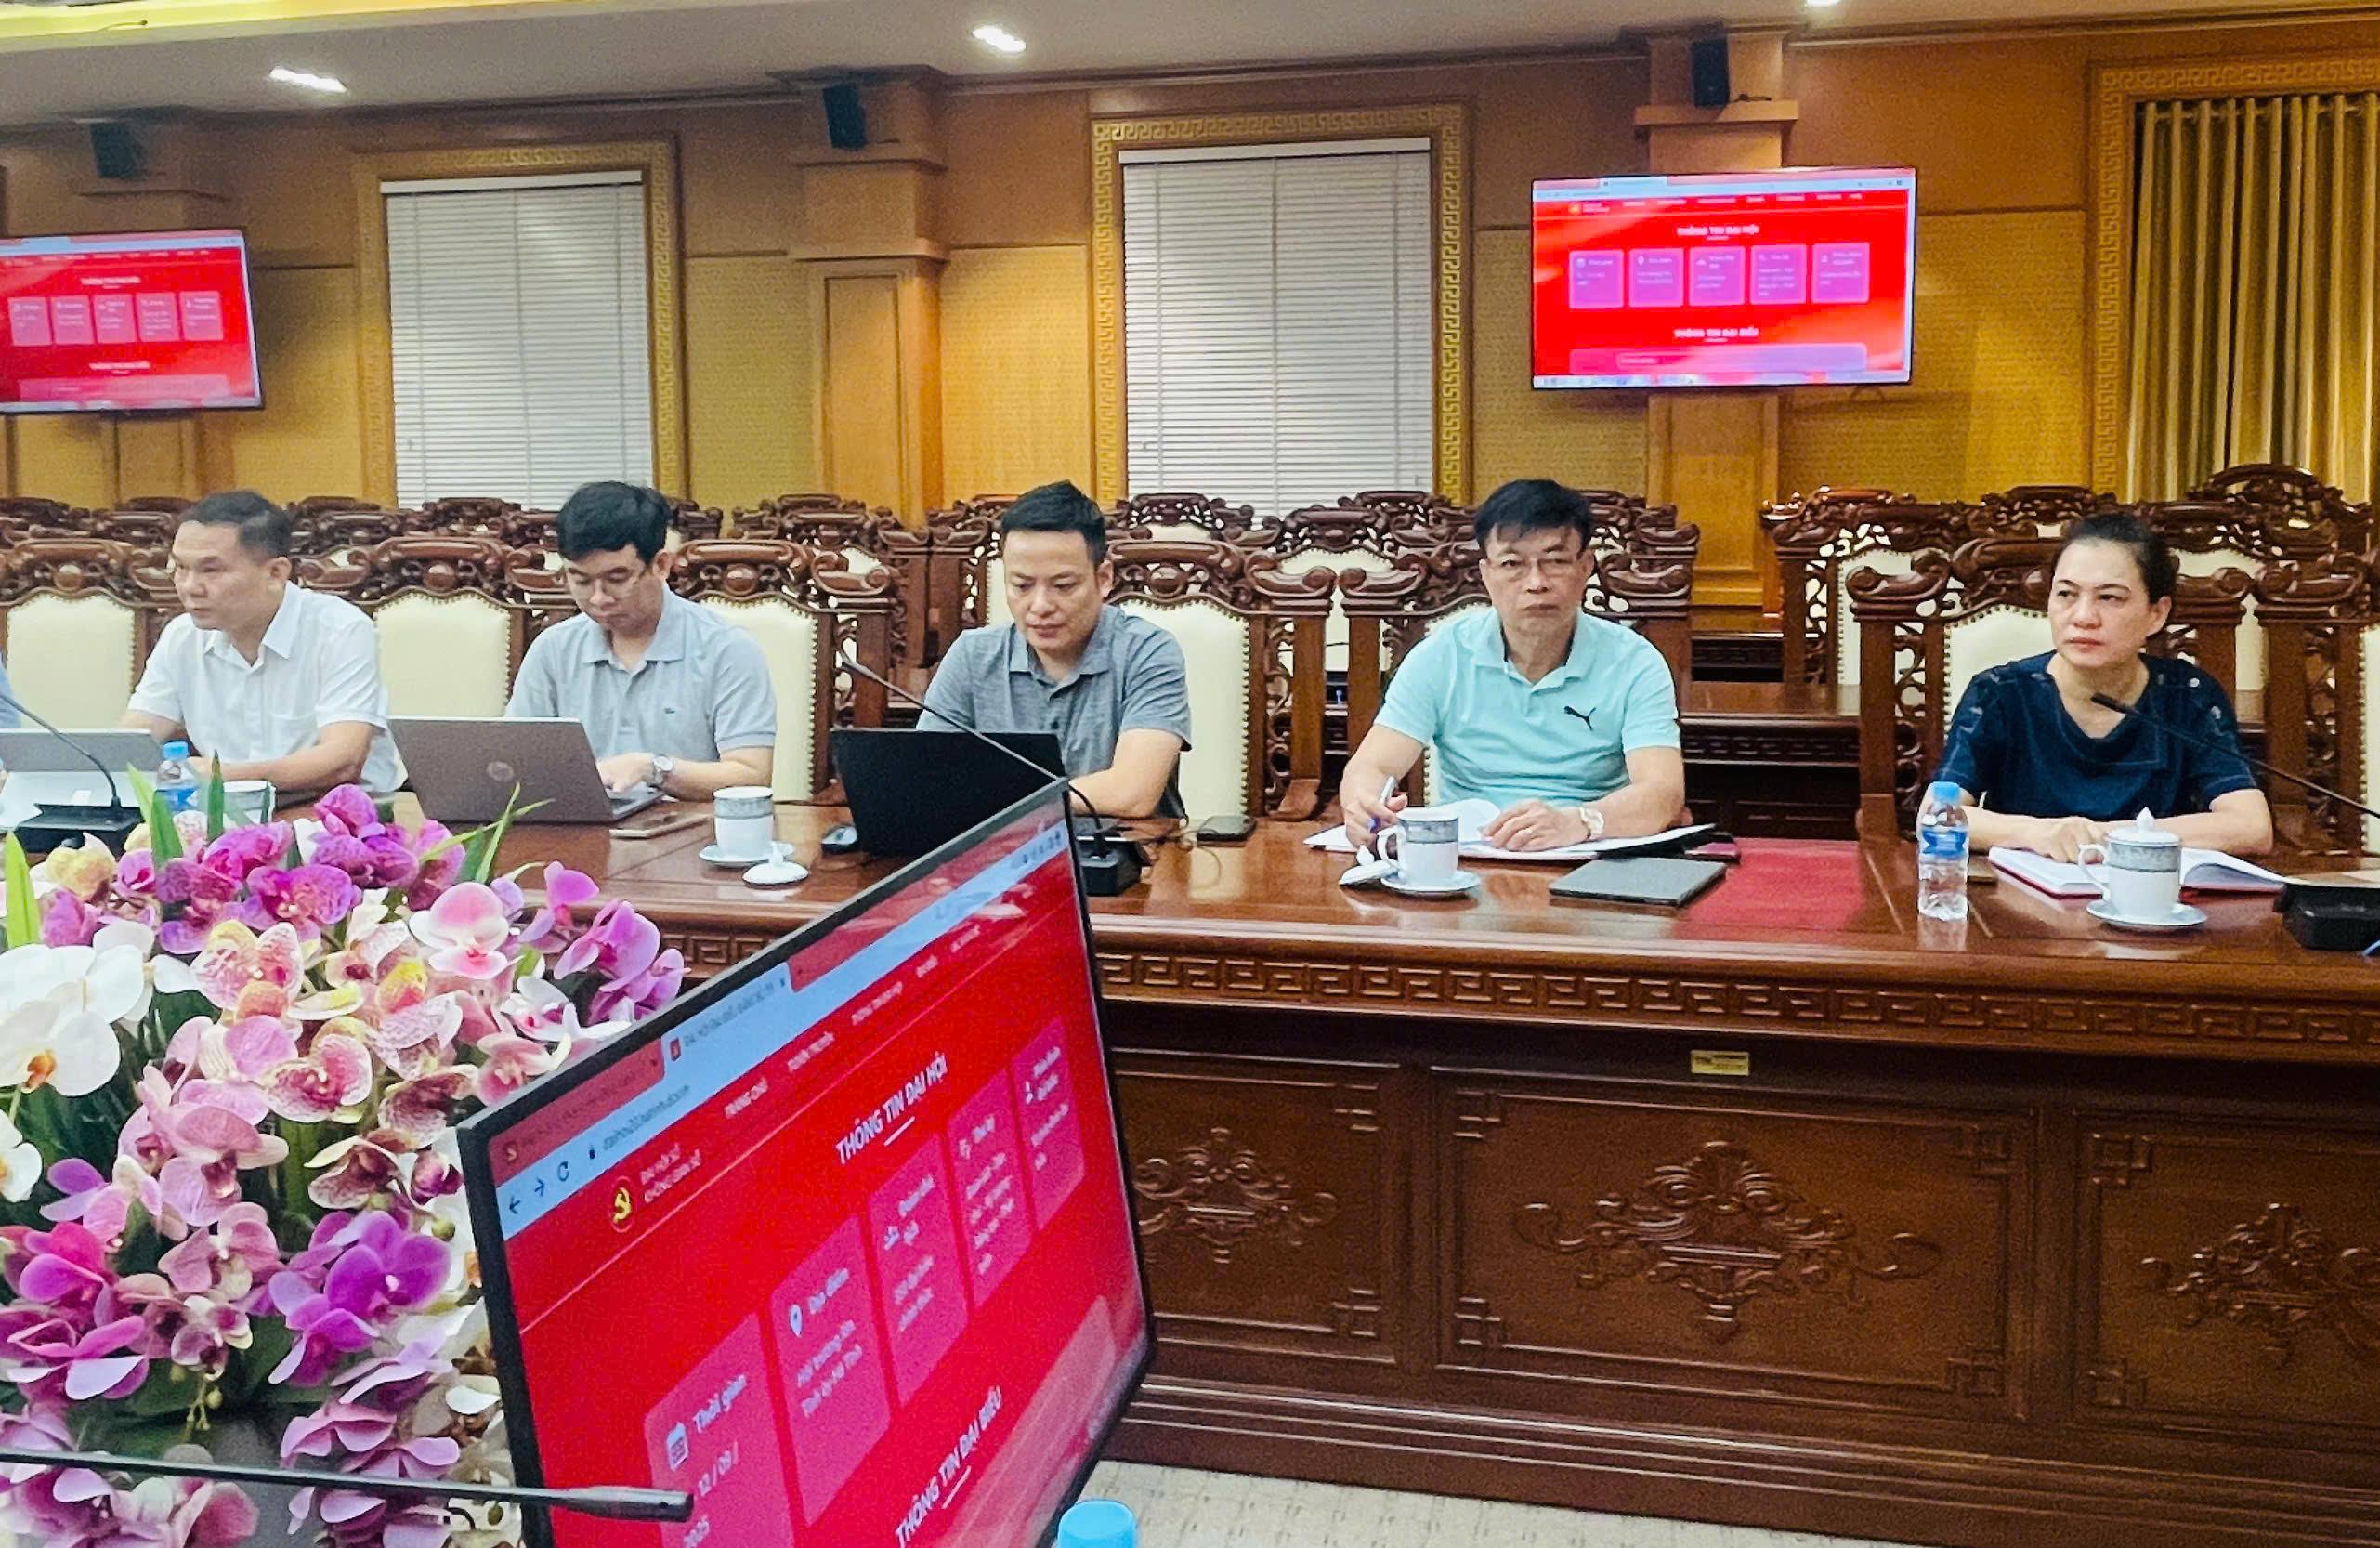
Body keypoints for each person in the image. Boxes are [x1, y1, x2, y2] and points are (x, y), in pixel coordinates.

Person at [1340, 478, 1685, 852]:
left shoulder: (1635, 662)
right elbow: (1372, 766)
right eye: (1512, 564)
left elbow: (1663, 792)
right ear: (1486, 574)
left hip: (1589, 857)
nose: (1536, 582)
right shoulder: (1440, 656)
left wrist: (1581, 821)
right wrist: (1364, 807)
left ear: (1586, 567)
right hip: (1469, 857)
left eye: (1555, 561)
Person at [1935, 512, 2273, 861]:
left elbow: (2251, 827)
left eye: (2109, 598)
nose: (2083, 617)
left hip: (2151, 889)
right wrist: (2039, 834)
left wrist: (2102, 837)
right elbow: (1938, 815)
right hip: (2022, 891)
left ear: (2156, 614)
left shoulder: (2187, 695)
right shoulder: (2000, 692)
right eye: (2066, 594)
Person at [921, 479, 1190, 820]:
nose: (1040, 606)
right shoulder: (972, 656)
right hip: (1006, 846)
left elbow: (1132, 794)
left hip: (1122, 848)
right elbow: (927, 780)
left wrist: (994, 797)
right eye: (1022, 586)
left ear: (1103, 579)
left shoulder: (1147, 652)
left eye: (1063, 586)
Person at [122, 492, 402, 797]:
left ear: (275, 573)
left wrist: (221, 776)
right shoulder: (182, 635)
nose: (190, 587)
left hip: (330, 809)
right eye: (180, 568)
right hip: (223, 811)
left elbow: (343, 760)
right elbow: (131, 742)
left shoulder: (340, 629)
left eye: (210, 570)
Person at [506, 481, 776, 799]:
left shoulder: (726, 649)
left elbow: (751, 776)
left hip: (690, 825)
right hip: (582, 824)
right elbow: (515, 761)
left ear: (660, 565)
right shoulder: (553, 649)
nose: (599, 598)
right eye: (581, 581)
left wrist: (654, 769)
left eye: (617, 579)